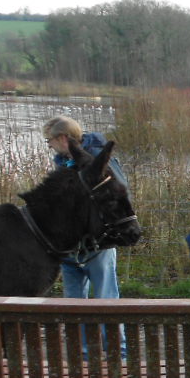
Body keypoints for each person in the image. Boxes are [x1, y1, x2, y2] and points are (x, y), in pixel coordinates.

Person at [42, 116, 128, 306]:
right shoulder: (63, 161)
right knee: (73, 302)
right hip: (71, 245)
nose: (49, 146)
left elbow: (119, 191)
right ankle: (79, 337)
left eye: (50, 141)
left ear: (63, 138)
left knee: (106, 298)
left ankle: (112, 337)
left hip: (98, 245)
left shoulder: (99, 158)